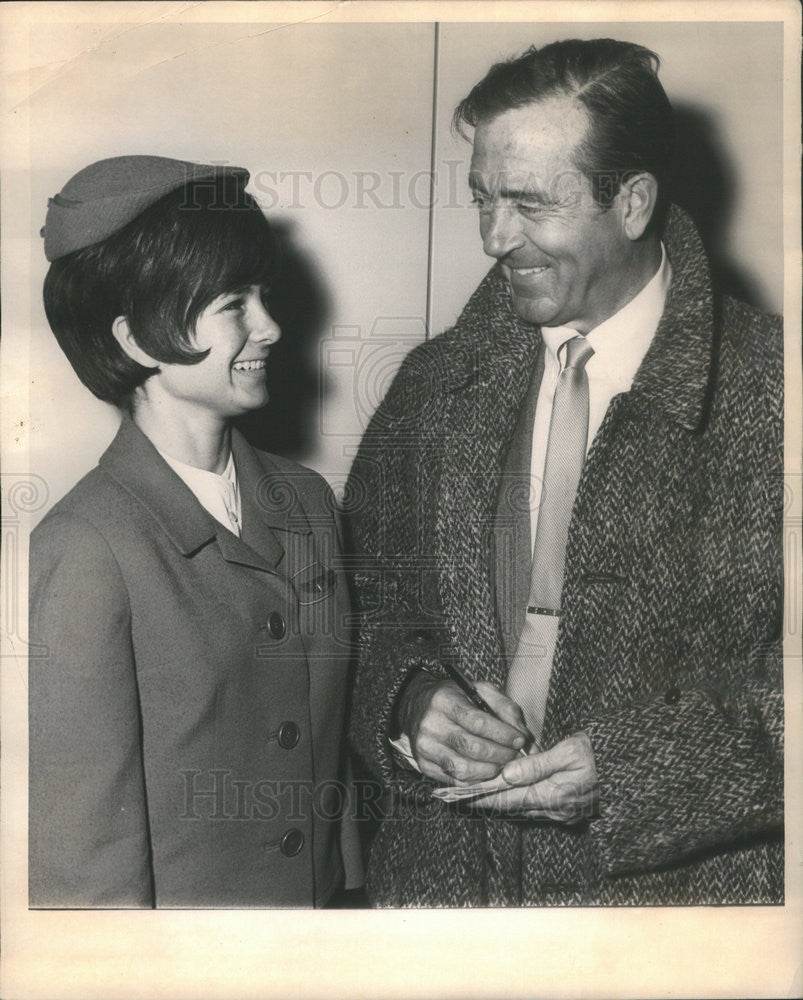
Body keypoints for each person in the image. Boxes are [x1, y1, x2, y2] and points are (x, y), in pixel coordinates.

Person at [347, 39, 783, 906]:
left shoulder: (776, 392)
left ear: (631, 202)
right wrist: (406, 702)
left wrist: (641, 776)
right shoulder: (433, 383)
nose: (493, 238)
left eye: (529, 204)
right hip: (446, 909)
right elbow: (359, 609)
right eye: (481, 199)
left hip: (677, 922)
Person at [29, 155, 362, 908]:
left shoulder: (307, 503)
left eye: (263, 296)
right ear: (140, 339)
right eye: (232, 304)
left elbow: (328, 758)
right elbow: (83, 872)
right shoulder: (83, 550)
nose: (270, 327)